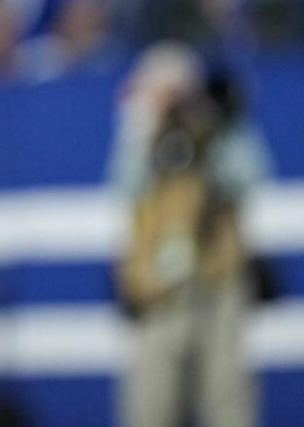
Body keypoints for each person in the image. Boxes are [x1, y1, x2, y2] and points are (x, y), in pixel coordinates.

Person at [109, 43, 271, 427]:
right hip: (158, 287)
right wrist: (146, 124)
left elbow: (248, 178)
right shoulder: (140, 131)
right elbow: (126, 187)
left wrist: (212, 128)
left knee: (226, 395)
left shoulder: (220, 127)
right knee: (151, 399)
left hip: (218, 280)